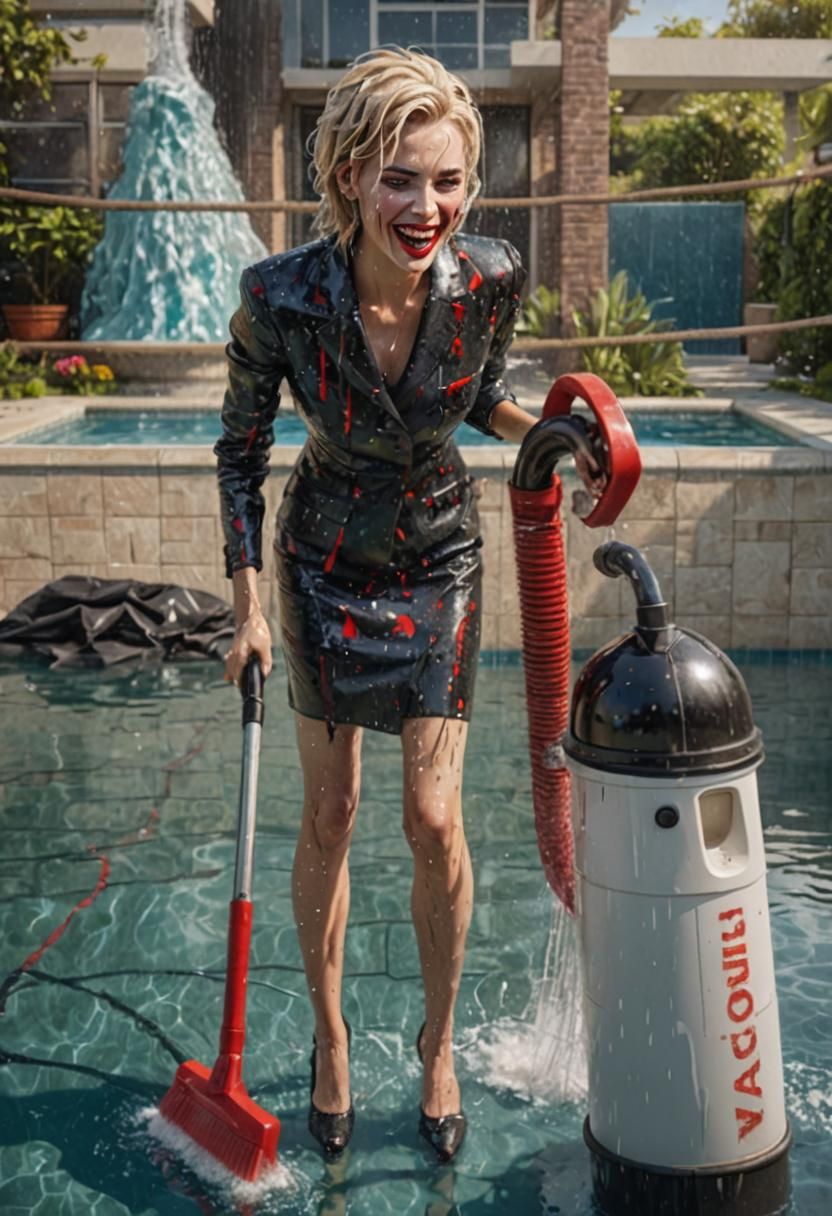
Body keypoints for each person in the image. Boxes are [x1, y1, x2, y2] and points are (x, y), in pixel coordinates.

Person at [216, 47, 601, 1163]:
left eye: (443, 181)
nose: (424, 206)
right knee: (330, 814)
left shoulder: (488, 278)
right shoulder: (281, 295)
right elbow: (239, 454)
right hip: (324, 560)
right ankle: (332, 1044)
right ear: (346, 176)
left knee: (433, 819)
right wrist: (243, 604)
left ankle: (435, 1047)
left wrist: (565, 440)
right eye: (398, 178)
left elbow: (481, 396)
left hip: (437, 555)